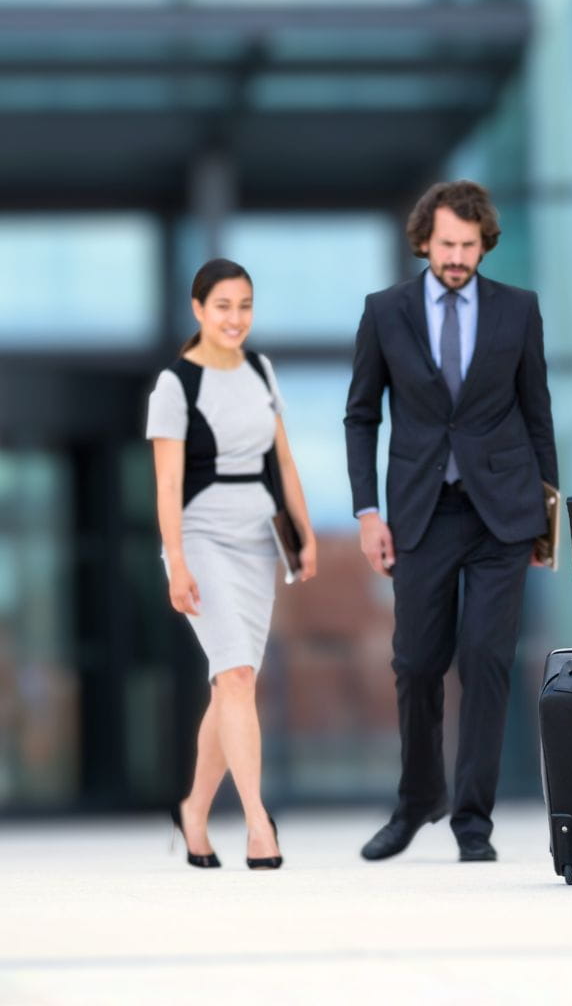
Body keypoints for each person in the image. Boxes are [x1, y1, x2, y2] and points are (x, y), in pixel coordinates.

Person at [345, 180, 557, 863]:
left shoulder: (518, 311)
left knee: (488, 662)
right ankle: (416, 801)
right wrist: (367, 513)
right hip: (421, 512)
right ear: (423, 241)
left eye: (470, 246)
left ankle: (473, 820)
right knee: (415, 664)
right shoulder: (385, 313)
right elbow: (361, 416)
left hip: (502, 516)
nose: (459, 257)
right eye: (447, 245)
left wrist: (546, 521)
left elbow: (537, 413)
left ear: (484, 243)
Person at [148, 258, 317, 870]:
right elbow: (166, 485)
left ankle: (194, 809)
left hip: (256, 540)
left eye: (245, 305)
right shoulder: (174, 385)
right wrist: (178, 564)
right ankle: (256, 823)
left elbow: (286, 461)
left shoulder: (259, 369)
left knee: (229, 684)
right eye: (222, 305)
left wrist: (303, 533)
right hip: (201, 537)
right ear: (197, 309)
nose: (235, 317)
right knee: (238, 677)